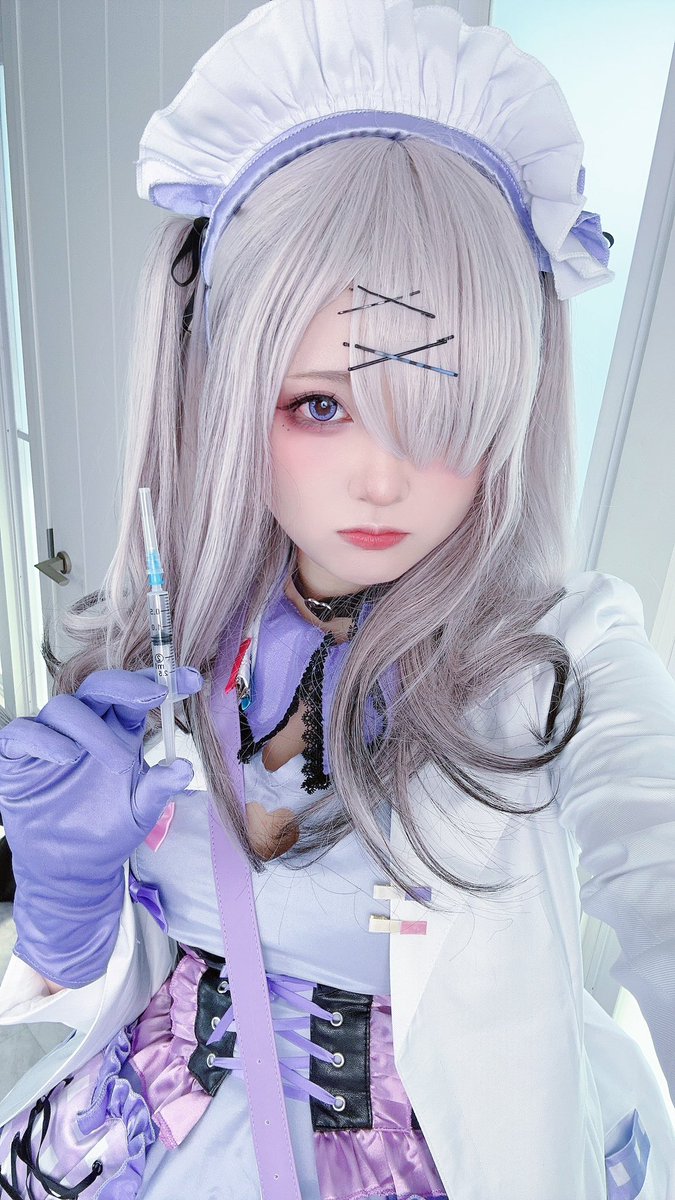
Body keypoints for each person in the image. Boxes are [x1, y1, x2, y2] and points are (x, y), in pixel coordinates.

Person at [0, 1, 673, 1196]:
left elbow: (656, 854)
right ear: (224, 388)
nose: (382, 478)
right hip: (144, 1130)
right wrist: (61, 888)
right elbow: (78, 974)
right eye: (321, 405)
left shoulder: (554, 654)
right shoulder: (162, 645)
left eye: (443, 418)